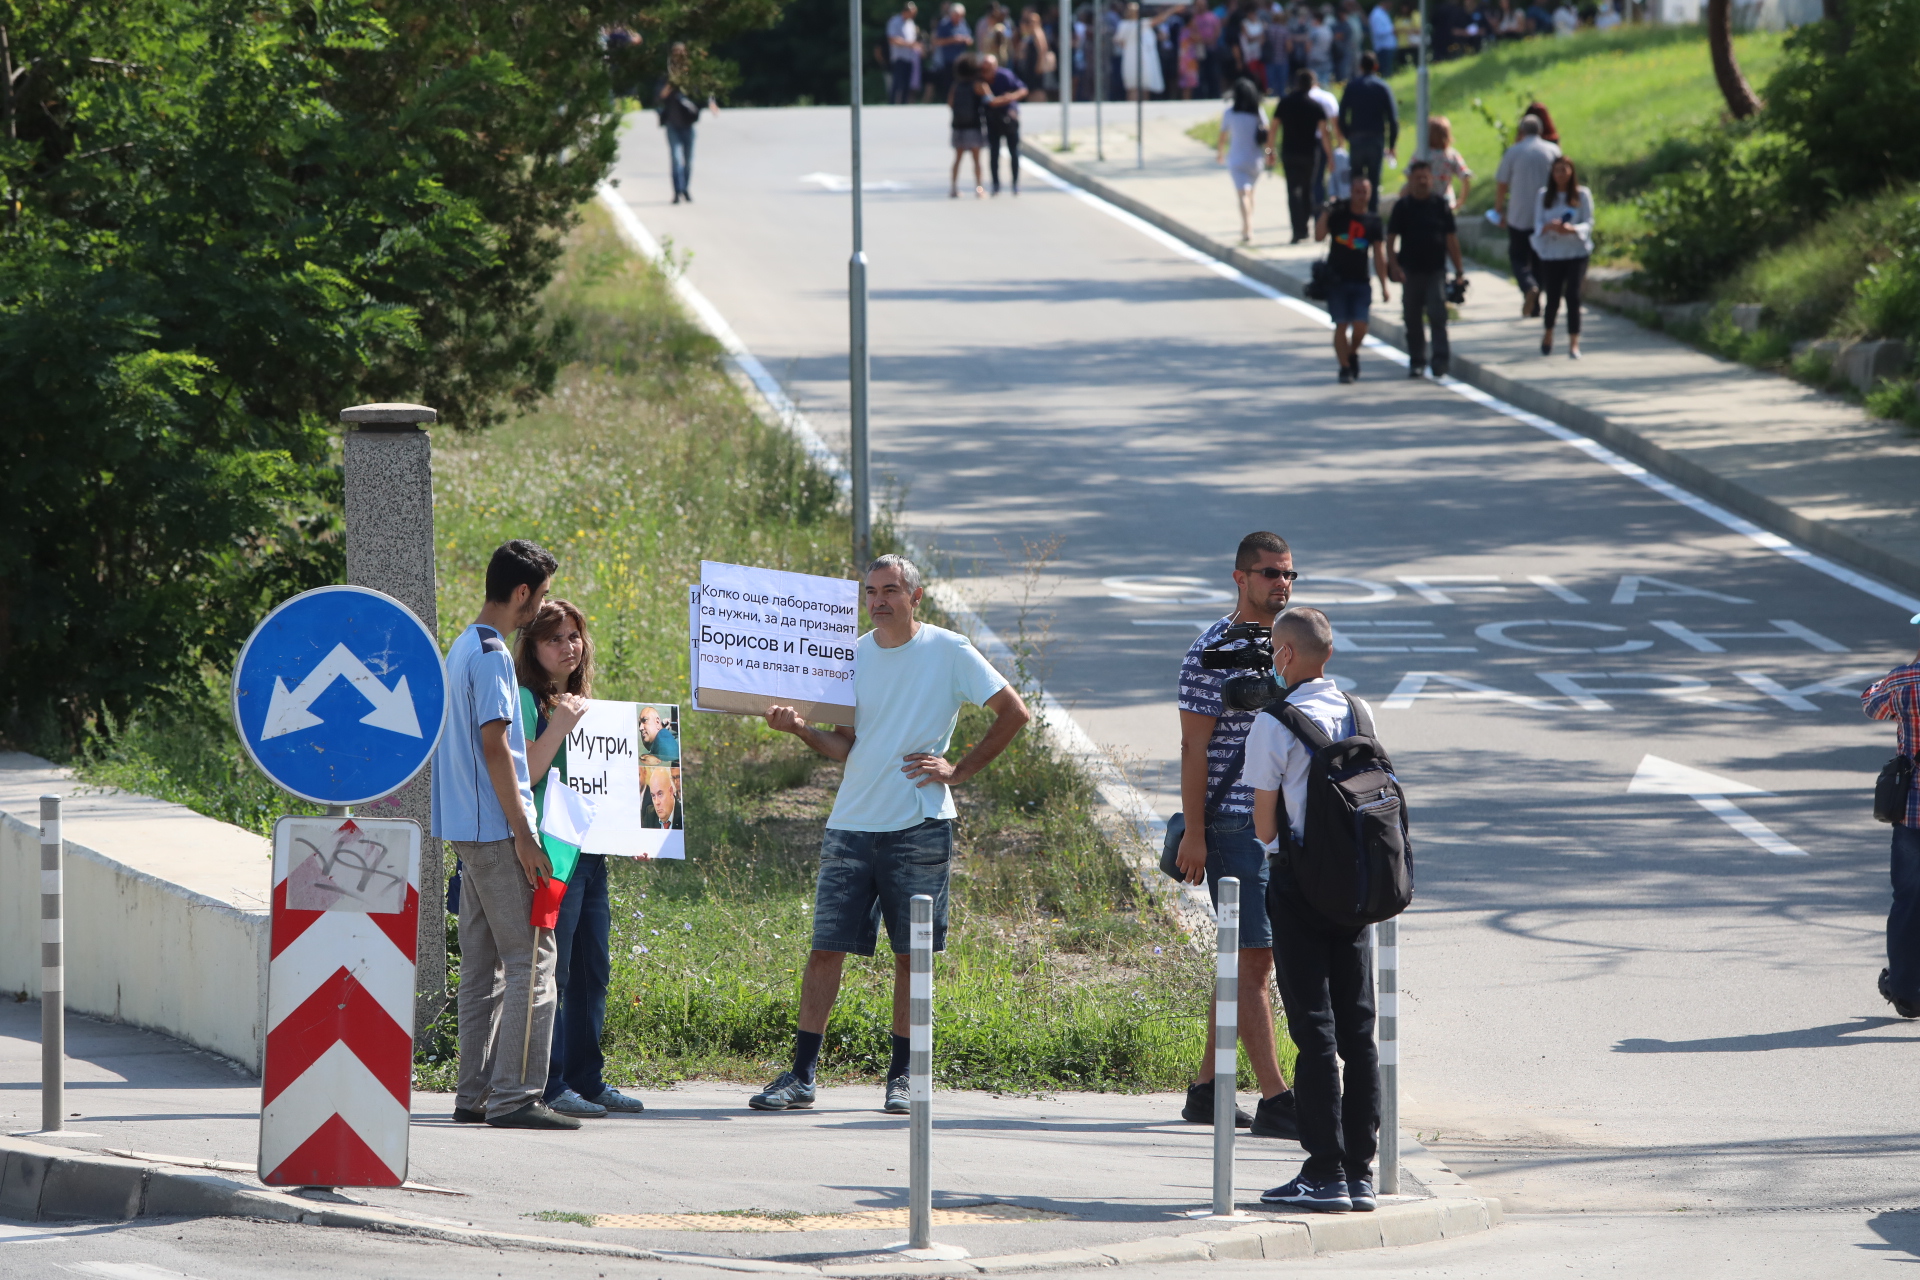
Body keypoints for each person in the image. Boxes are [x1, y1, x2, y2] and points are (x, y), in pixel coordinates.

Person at [748, 555, 1032, 1114]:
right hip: (851, 822)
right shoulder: (850, 654)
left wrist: (960, 770)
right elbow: (844, 745)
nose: (879, 600)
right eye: (871, 591)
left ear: (915, 596)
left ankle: (903, 1078)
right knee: (826, 949)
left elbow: (1013, 712)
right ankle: (802, 1075)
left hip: (919, 826)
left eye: (891, 590)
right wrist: (801, 730)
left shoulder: (949, 651)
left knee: (912, 955)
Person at [433, 540, 577, 1131]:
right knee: (532, 960)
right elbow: (497, 748)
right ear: (521, 593)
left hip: (467, 830)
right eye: (539, 597)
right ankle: (516, 1096)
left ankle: (475, 1094)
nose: (536, 608)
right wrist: (524, 832)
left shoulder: (462, 644)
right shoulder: (493, 656)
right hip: (496, 829)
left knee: (483, 964)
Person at [1248, 607, 1382, 1214]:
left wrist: (1280, 859)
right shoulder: (1360, 711)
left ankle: (1323, 1171)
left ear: (1285, 656)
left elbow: (1264, 820)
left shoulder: (1273, 723)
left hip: (1300, 886)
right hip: (1355, 888)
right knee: (1358, 1030)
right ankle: (1361, 1172)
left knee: (1314, 1030)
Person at [1175, 532, 1303, 1138]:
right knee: (1254, 960)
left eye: (1289, 575)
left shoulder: (1285, 645)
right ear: (1239, 578)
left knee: (1245, 959)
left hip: (1272, 824)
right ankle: (1278, 1097)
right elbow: (1194, 749)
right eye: (1271, 574)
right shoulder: (1212, 651)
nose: (1282, 584)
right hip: (1230, 823)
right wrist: (1194, 834)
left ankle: (1208, 1089)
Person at [516, 600, 646, 1122]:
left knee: (595, 966)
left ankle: (588, 1079)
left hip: (591, 855)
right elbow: (525, 770)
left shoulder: (589, 706)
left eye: (574, 636)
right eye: (554, 638)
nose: (568, 646)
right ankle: (550, 1082)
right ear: (532, 647)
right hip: (551, 857)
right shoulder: (528, 699)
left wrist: (636, 831)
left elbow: (605, 785)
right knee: (557, 968)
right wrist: (559, 724)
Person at [1864, 627, 1920, 1020]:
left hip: (1914, 811)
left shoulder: (1905, 680)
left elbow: (1871, 704)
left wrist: (1905, 668)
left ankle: (1905, 988)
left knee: (1909, 901)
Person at [1386, 159, 1465, 379]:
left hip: (1436, 271)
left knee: (1437, 314)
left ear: (1431, 179)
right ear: (1410, 180)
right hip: (1410, 272)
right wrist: (1393, 266)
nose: (1422, 181)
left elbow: (1451, 240)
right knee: (1412, 318)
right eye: (1418, 177)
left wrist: (1459, 270)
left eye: (1425, 177)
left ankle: (1440, 360)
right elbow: (1390, 240)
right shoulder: (1403, 207)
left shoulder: (1440, 206)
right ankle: (1417, 361)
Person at [1315, 174, 1388, 382]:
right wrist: (1326, 213)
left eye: (1365, 192)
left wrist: (1384, 285)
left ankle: (1352, 351)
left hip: (1361, 281)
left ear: (1370, 194)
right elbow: (1319, 236)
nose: (1361, 196)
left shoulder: (1373, 221)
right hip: (1336, 280)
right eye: (1357, 191)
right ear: (1351, 192)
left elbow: (1379, 256)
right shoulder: (1339, 215)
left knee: (1361, 325)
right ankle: (1345, 367)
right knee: (1341, 324)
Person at [1493, 113, 1560, 317]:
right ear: (1540, 130)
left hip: (1519, 213)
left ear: (1521, 131)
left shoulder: (1513, 152)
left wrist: (1498, 208)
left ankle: (1528, 286)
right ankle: (1536, 302)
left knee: (1518, 257)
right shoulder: (1553, 150)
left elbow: (1502, 182)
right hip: (1546, 213)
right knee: (1539, 257)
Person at [1532, 155, 1592, 358]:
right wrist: (1550, 227)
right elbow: (1537, 224)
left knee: (1573, 296)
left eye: (1565, 170)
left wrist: (1572, 229)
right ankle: (1548, 332)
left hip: (1576, 252)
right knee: (1553, 297)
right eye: (1557, 170)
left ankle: (1574, 342)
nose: (1561, 174)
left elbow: (1588, 223)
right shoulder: (1544, 196)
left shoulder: (1581, 195)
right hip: (1552, 254)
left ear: (1571, 172)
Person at [1274, 70, 1333, 243]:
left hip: (1289, 152)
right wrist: (1330, 156)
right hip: (1309, 153)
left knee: (1293, 191)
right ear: (1312, 85)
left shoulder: (1285, 103)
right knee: (1308, 189)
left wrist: (1269, 152)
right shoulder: (1315, 106)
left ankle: (1297, 229)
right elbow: (1324, 133)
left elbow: (1274, 128)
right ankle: (1305, 226)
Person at [655, 44, 716, 205]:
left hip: (688, 125)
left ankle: (685, 189)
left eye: (682, 53)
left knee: (688, 161)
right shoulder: (666, 75)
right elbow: (659, 97)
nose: (679, 56)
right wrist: (672, 83)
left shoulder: (691, 76)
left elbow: (703, 91)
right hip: (672, 124)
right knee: (675, 159)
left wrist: (711, 103)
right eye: (676, 53)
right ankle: (676, 192)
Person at [1336, 51, 1396, 212]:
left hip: (1356, 139)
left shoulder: (1352, 86)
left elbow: (1341, 115)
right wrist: (1392, 144)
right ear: (1376, 66)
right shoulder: (1382, 87)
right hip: (1376, 139)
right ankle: (1372, 215)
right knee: (1374, 181)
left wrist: (1348, 134)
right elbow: (1392, 119)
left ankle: (1355, 213)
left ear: (1360, 67)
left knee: (1355, 180)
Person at [1216, 76, 1270, 244]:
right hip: (1255, 159)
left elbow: (1223, 136)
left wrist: (1220, 153)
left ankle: (1248, 227)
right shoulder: (1257, 112)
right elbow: (1267, 133)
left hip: (1237, 159)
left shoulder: (1230, 113)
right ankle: (1248, 224)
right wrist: (1269, 153)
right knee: (1250, 193)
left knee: (1243, 195)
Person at [978, 53, 1029, 195]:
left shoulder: (1005, 76)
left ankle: (1015, 184)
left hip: (1008, 117)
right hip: (992, 119)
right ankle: (995, 184)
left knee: (1014, 151)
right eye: (984, 69)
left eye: (988, 69)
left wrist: (1011, 97)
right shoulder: (981, 80)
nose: (986, 72)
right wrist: (1002, 99)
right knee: (994, 152)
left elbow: (1023, 89)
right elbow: (991, 101)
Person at [948, 53, 988, 198]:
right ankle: (979, 189)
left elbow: (950, 103)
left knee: (957, 159)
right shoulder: (977, 85)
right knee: (976, 160)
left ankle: (953, 188)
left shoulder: (956, 85)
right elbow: (989, 100)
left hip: (958, 126)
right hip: (974, 126)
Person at [1114, 2, 1168, 100]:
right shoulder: (1124, 24)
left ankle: (1144, 112)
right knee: (1132, 86)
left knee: (1144, 86)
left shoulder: (1141, 23)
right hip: (1130, 57)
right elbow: (1118, 40)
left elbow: (1158, 20)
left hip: (1143, 58)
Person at [1426, 115, 1472, 209]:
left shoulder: (1423, 155)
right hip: (1446, 201)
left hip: (1425, 201)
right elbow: (1465, 176)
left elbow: (1410, 174)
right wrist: (1461, 200)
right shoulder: (1451, 154)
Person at [931, 3, 973, 102]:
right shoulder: (944, 24)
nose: (959, 18)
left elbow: (970, 39)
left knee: (962, 83)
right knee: (948, 84)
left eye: (961, 16)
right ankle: (947, 102)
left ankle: (960, 101)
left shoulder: (963, 23)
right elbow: (937, 41)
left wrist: (966, 40)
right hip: (949, 60)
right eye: (956, 16)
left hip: (961, 60)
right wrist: (953, 40)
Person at [1013, 7, 1052, 101]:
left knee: (1036, 90)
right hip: (1029, 66)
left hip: (1035, 67)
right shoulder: (1029, 34)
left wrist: (1039, 66)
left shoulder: (1038, 32)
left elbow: (1043, 50)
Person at [888, 1, 923, 104]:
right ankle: (892, 103)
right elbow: (892, 39)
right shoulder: (895, 21)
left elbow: (913, 39)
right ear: (906, 11)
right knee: (897, 82)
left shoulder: (910, 23)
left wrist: (917, 46)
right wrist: (909, 44)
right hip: (899, 57)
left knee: (907, 84)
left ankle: (903, 104)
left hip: (910, 57)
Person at [641, 764, 682, 829]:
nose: (657, 802)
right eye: (653, 796)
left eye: (660, 794)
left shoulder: (682, 814)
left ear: (671, 792)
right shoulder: (650, 815)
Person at [1366, 0, 1396, 71]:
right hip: (1382, 48)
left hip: (1387, 47)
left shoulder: (1383, 13)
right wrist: (1392, 30)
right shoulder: (1376, 15)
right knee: (1385, 71)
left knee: (1388, 70)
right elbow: (1378, 32)